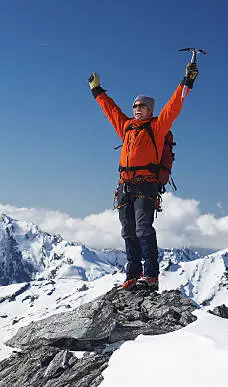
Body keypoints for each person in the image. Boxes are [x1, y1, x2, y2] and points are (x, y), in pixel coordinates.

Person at [88, 61, 198, 290]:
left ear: (150, 110)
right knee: (128, 230)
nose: (137, 108)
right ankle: (133, 274)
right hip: (124, 186)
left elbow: (174, 106)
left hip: (146, 186)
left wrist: (187, 81)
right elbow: (111, 111)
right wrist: (97, 91)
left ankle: (151, 275)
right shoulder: (127, 127)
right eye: (135, 105)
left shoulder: (157, 128)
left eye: (142, 106)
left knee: (143, 228)